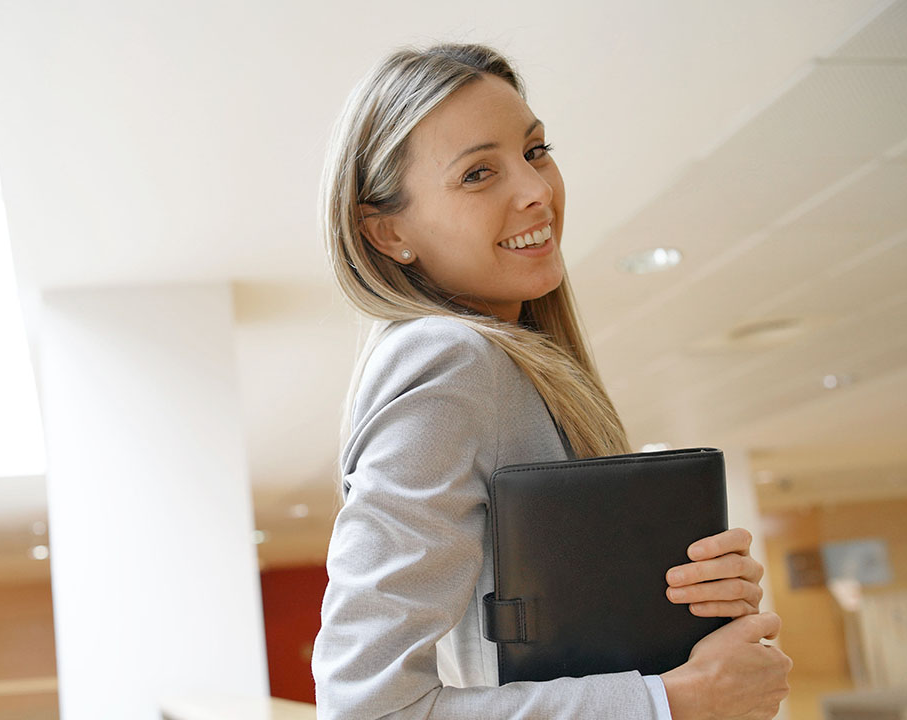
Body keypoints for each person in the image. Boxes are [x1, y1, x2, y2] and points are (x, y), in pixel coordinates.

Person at [310, 43, 793, 720]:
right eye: (479, 173)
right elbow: (366, 708)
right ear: (387, 232)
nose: (537, 190)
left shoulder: (515, 366)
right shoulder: (447, 358)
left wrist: (686, 604)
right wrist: (670, 702)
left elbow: (559, 645)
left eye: (535, 151)